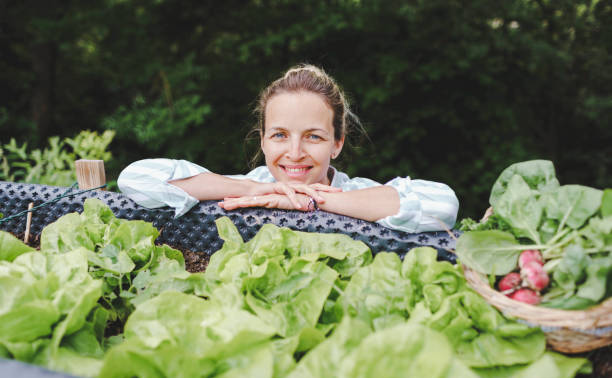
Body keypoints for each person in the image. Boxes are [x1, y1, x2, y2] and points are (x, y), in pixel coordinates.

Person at [118, 64, 459, 233]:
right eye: (280, 135)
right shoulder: (246, 190)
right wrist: (257, 187)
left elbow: (442, 204)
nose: (294, 153)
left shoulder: (359, 195)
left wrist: (314, 200)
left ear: (337, 143)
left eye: (313, 137)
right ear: (263, 139)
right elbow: (137, 179)